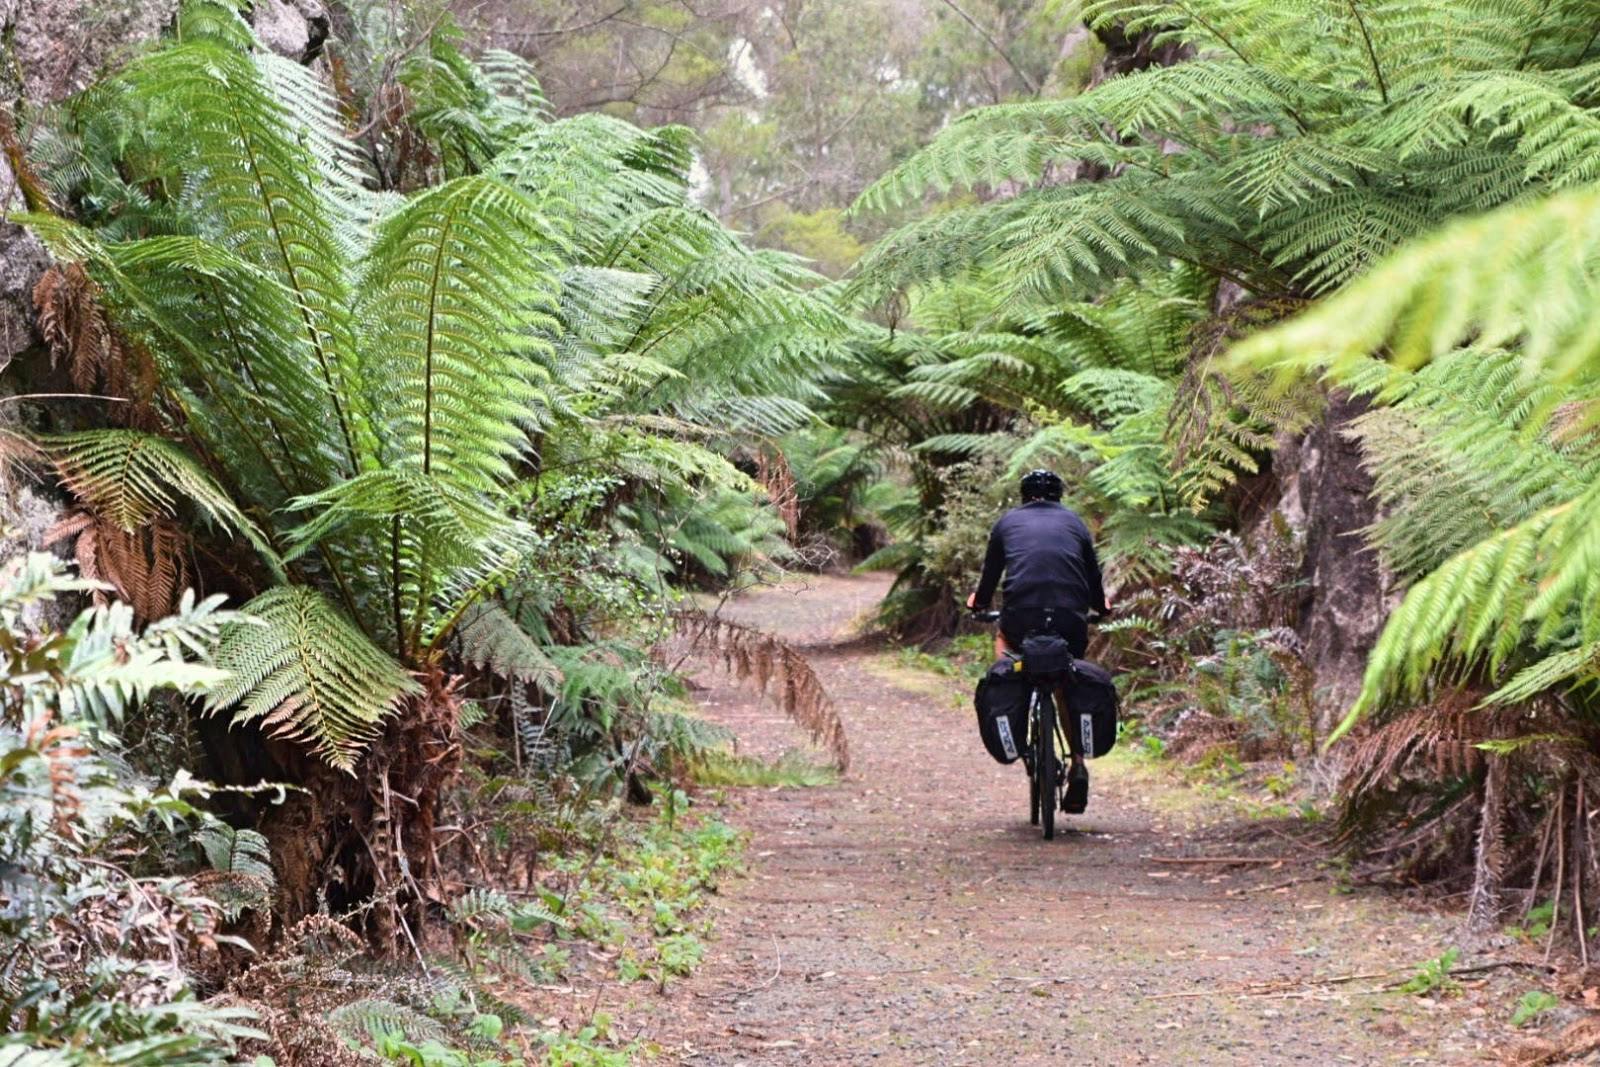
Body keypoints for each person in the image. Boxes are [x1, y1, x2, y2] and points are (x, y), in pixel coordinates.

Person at [967, 468, 1109, 814]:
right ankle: (1077, 763)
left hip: (1021, 617)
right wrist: (1100, 605)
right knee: (1065, 677)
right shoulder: (1075, 523)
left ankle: (1009, 678)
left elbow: (990, 575)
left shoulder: (1007, 523)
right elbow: (1093, 578)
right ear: (1060, 495)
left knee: (1003, 636)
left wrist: (980, 603)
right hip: (1068, 619)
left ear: (1022, 494)